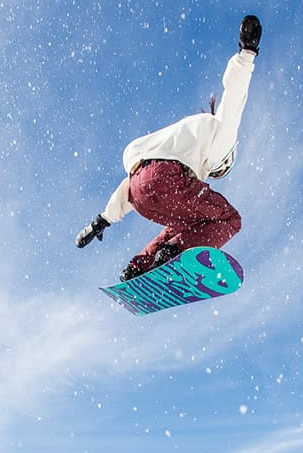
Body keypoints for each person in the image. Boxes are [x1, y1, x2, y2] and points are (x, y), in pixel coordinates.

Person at [76, 15, 262, 281]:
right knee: (230, 220)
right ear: (225, 162)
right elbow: (232, 102)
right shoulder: (221, 137)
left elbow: (132, 186)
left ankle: (137, 268)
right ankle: (175, 251)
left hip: (139, 189)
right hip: (168, 180)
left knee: (184, 221)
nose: (210, 174)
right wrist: (247, 53)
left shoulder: (175, 140)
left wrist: (101, 221)